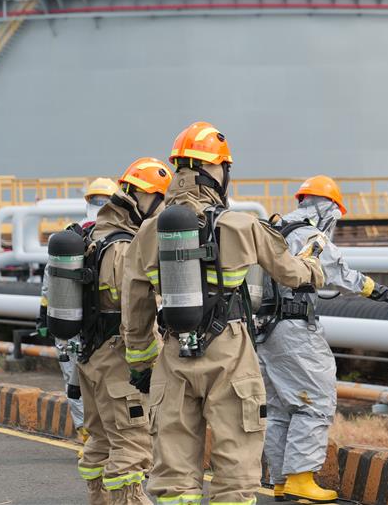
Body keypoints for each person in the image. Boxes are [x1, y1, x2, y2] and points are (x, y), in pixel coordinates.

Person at [121, 121, 325, 505]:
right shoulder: (241, 224)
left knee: (173, 475)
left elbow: (135, 306)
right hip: (229, 352)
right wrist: (313, 262)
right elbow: (292, 274)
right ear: (216, 171)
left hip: (173, 352)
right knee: (235, 468)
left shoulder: (148, 232)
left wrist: (141, 363)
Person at [257, 175, 388, 503]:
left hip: (265, 330)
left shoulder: (273, 231)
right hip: (295, 331)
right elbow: (345, 277)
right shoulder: (311, 236)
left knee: (280, 407)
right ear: (329, 209)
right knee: (316, 402)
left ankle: (281, 480)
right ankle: (301, 478)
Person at [76, 158, 172, 505]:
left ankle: (99, 499)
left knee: (100, 439)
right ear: (146, 198)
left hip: (89, 357)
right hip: (118, 360)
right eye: (161, 201)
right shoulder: (123, 247)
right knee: (131, 444)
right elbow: (132, 307)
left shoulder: (93, 235)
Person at [38, 177, 119, 444]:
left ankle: (88, 435)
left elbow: (49, 282)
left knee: (75, 381)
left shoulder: (69, 237)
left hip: (70, 321)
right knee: (106, 382)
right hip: (104, 325)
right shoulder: (118, 238)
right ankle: (103, 436)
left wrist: (43, 316)